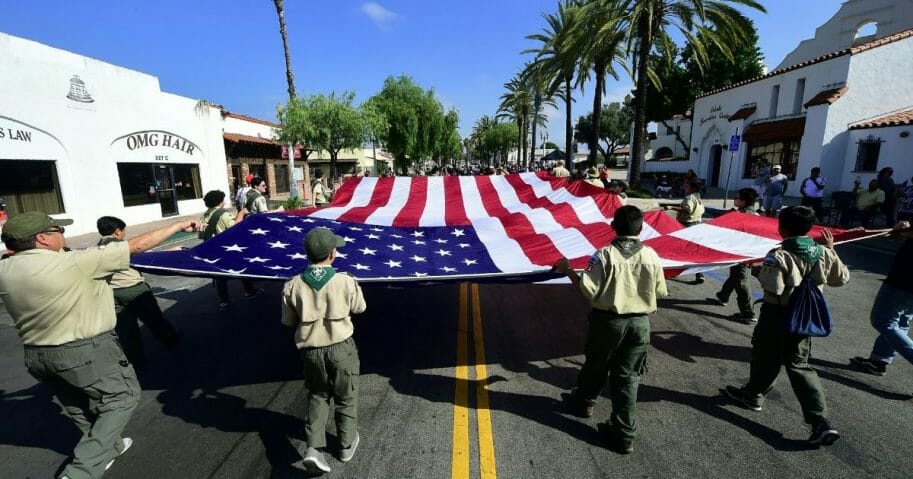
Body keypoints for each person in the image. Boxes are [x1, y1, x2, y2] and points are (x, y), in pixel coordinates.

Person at [0, 211, 196, 479]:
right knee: (123, 397)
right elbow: (136, 245)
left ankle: (110, 448)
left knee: (79, 406)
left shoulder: (5, 269)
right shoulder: (75, 263)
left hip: (37, 355)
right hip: (84, 350)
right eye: (57, 229)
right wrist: (178, 225)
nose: (63, 233)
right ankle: (80, 472)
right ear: (43, 239)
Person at [723, 206, 850, 446]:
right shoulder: (822, 251)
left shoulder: (779, 254)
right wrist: (831, 250)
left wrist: (761, 270)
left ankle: (753, 395)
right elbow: (841, 279)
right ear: (809, 229)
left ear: (781, 228)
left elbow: (775, 287)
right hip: (804, 318)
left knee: (765, 356)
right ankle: (819, 420)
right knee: (799, 364)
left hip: (777, 314)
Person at [555, 205, 668, 454]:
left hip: (608, 322)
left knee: (596, 364)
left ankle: (584, 403)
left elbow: (588, 289)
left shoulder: (604, 255)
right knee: (628, 377)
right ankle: (624, 433)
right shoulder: (651, 255)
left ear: (612, 226)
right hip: (640, 324)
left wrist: (567, 271)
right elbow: (660, 292)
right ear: (641, 228)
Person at [281, 227, 367, 474]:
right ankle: (346, 444)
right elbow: (360, 308)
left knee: (318, 395)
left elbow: (287, 321)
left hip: (310, 351)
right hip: (342, 349)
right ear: (332, 254)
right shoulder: (345, 281)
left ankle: (313, 449)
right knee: (346, 395)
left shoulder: (292, 285)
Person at [96, 216, 182, 368]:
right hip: (135, 290)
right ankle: (171, 341)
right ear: (117, 232)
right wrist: (175, 251)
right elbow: (148, 257)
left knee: (126, 328)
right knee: (154, 320)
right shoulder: (123, 247)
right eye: (123, 231)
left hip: (112, 294)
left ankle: (135, 360)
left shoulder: (97, 248)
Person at [850, 220, 913, 375]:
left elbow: (906, 233)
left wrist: (901, 230)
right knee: (901, 321)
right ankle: (878, 360)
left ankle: (880, 359)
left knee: (883, 322)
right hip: (905, 280)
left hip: (904, 280)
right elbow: (899, 234)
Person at [201, 190, 263, 310]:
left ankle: (224, 300)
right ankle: (250, 291)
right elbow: (234, 226)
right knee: (242, 267)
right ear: (220, 202)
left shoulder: (205, 214)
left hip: (214, 248)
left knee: (220, 275)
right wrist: (241, 213)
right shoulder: (222, 214)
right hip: (227, 247)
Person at [710, 188, 760, 322]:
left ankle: (747, 312)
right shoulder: (757, 215)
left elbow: (720, 229)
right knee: (735, 275)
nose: (734, 199)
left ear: (743, 201)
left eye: (737, 198)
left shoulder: (738, 215)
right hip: (747, 252)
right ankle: (723, 296)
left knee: (742, 281)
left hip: (740, 254)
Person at [666, 179, 706, 283]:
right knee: (693, 250)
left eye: (686, 185)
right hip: (696, 225)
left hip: (686, 225)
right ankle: (700, 273)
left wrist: (672, 207)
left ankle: (673, 270)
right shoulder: (698, 197)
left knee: (678, 248)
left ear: (692, 188)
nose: (684, 187)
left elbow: (688, 210)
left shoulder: (690, 197)